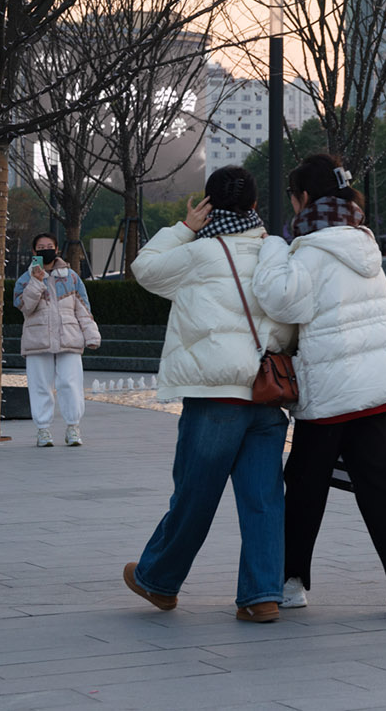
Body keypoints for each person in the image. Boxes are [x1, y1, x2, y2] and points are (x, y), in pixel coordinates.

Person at [251, 153, 386, 617]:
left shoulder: (310, 249)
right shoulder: (363, 242)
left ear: (302, 199)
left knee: (302, 484)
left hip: (334, 389)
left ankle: (287, 580)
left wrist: (275, 248)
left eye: (294, 200)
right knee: (381, 479)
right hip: (374, 386)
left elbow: (280, 301)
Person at [126, 166, 293, 623]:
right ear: (256, 206)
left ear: (208, 206)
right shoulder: (273, 255)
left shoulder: (198, 253)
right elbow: (287, 322)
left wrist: (183, 228)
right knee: (264, 498)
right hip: (266, 394)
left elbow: (144, 268)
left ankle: (158, 580)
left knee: (195, 494)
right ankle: (262, 595)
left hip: (215, 396)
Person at [15, 233, 100, 447]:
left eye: (49, 246)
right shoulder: (24, 280)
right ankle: (43, 430)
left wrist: (91, 335)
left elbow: (83, 308)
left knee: (70, 383)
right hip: (37, 340)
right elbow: (25, 307)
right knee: (40, 385)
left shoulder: (71, 277)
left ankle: (73, 427)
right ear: (34, 252)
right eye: (40, 247)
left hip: (69, 338)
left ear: (57, 250)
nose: (45, 250)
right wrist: (36, 281)